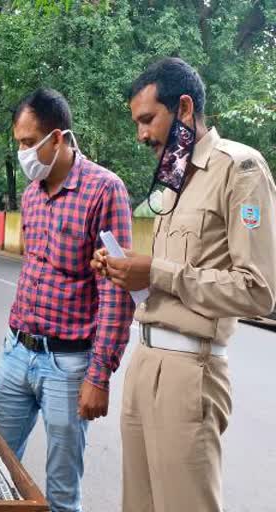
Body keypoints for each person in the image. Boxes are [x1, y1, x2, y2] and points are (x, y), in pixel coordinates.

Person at [91, 58, 276, 512]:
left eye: (148, 119)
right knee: (138, 505)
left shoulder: (241, 169)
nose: (141, 135)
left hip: (191, 371)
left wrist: (154, 271)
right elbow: (164, 275)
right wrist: (124, 268)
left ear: (185, 108)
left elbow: (259, 290)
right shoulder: (172, 180)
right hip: (145, 361)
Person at [0, 89, 134, 512]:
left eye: (27, 142)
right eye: (17, 142)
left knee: (61, 492)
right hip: (17, 352)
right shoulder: (32, 193)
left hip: (68, 365)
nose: (22, 153)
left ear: (57, 138)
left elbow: (116, 289)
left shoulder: (105, 190)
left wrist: (99, 374)